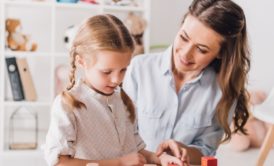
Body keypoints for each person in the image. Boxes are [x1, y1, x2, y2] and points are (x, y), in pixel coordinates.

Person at [44, 14, 183, 166]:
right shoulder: (67, 106)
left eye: (123, 70)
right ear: (81, 61)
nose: (117, 79)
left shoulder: (122, 101)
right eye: (106, 72)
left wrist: (160, 159)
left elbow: (134, 152)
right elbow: (59, 162)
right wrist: (119, 163)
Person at [123, 0, 250, 165]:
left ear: (221, 53)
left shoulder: (223, 90)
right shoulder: (139, 68)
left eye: (201, 49)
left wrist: (185, 151)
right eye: (184, 37)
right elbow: (122, 135)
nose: (185, 54)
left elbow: (206, 150)